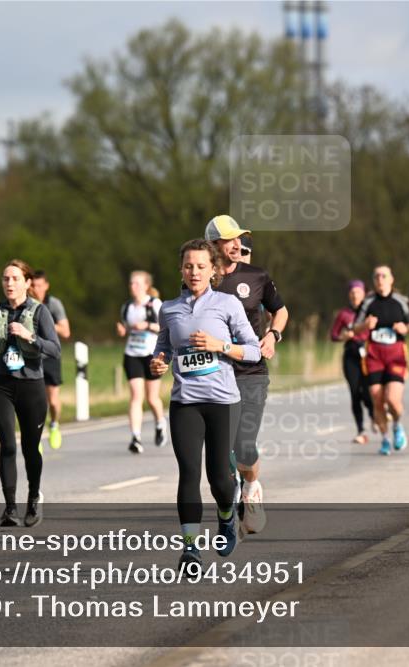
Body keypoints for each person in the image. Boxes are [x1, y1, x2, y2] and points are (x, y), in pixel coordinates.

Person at [149, 238, 261, 575]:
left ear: (213, 270)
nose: (193, 272)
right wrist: (158, 362)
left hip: (223, 402)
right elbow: (163, 347)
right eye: (188, 266)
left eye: (200, 266)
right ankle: (190, 548)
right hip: (185, 402)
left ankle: (227, 515)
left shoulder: (227, 305)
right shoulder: (168, 308)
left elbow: (253, 350)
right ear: (180, 270)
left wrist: (220, 345)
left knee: (219, 479)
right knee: (188, 472)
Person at [205, 215, 288, 535]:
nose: (237, 244)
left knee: (244, 445)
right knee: (221, 446)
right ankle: (232, 496)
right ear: (214, 245)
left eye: (239, 238)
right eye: (229, 240)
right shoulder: (200, 279)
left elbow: (280, 310)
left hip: (251, 372)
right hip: (214, 375)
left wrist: (273, 335)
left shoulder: (256, 276)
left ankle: (251, 487)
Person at [0, 259, 61, 528]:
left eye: (15, 278)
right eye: (6, 278)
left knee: (30, 448)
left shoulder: (39, 312)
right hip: (0, 385)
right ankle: (10, 508)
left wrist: (30, 337)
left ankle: (32, 500)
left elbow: (55, 349)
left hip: (31, 387)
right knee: (7, 445)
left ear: (27, 283)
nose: (9, 283)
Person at [353, 266, 409, 455]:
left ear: (391, 279)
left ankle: (396, 425)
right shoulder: (367, 302)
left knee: (393, 400)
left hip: (396, 354)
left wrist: (406, 328)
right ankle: (385, 439)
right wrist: (365, 325)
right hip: (374, 355)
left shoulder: (401, 301)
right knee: (377, 398)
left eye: (384, 276)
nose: (380, 279)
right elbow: (354, 328)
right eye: (376, 276)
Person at [117, 270, 166, 453]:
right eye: (131, 283)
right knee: (136, 396)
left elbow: (165, 327)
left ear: (146, 285)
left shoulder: (155, 304)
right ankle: (135, 437)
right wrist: (123, 331)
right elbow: (126, 328)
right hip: (132, 353)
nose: (133, 286)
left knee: (152, 398)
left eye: (137, 283)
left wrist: (147, 325)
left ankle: (160, 423)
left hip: (151, 354)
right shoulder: (127, 307)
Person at [329, 280, 374, 444]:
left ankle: (374, 415)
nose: (355, 295)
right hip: (351, 355)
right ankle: (361, 430)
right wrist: (343, 336)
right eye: (352, 292)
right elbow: (333, 335)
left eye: (358, 292)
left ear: (364, 294)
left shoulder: (371, 311)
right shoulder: (343, 314)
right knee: (355, 393)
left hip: (370, 355)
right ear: (349, 295)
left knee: (369, 392)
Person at [31, 270, 70, 451]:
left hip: (51, 357)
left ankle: (54, 424)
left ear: (46, 286)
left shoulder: (53, 304)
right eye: (33, 285)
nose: (36, 289)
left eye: (39, 285)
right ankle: (35, 435)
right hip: (32, 358)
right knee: (36, 401)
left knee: (53, 401)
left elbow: (66, 331)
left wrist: (45, 322)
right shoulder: (26, 303)